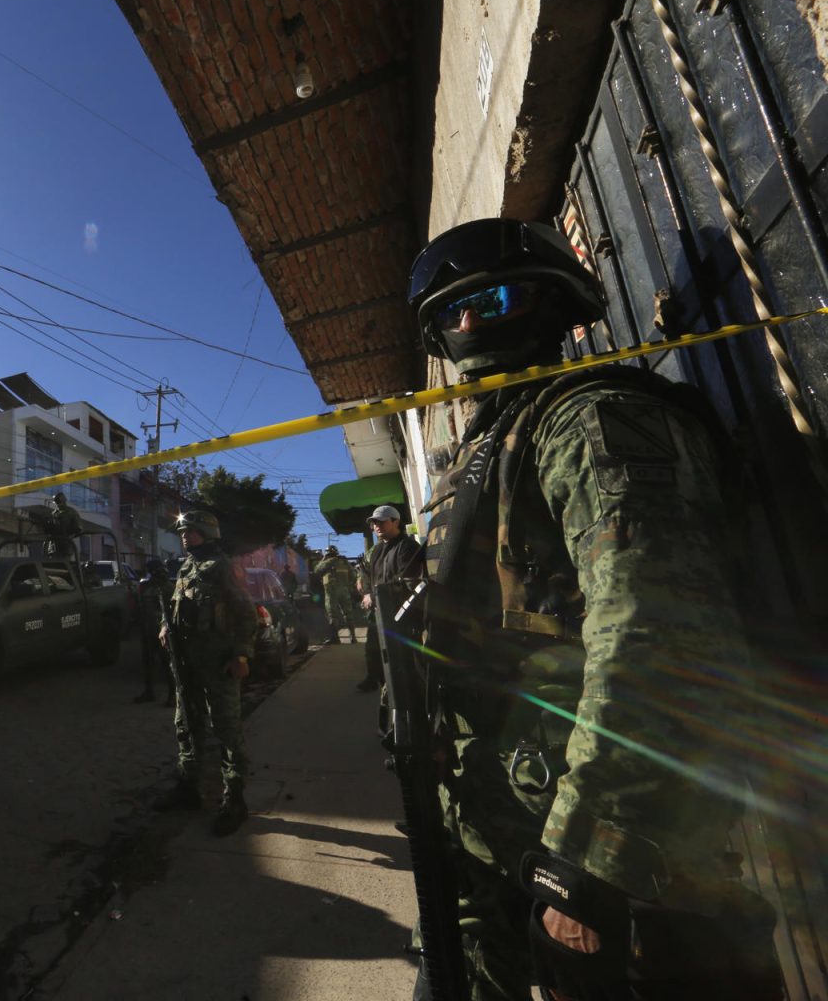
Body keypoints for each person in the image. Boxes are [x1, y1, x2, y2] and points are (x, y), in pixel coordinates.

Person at [405, 218, 779, 999]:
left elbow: (660, 634)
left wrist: (594, 852)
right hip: (499, 828)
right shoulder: (486, 451)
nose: (469, 324)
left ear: (551, 302)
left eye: (492, 298)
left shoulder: (588, 417)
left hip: (618, 854)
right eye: (450, 314)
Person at [155, 511, 257, 836]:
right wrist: (163, 626)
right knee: (186, 724)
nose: (185, 536)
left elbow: (246, 613)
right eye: (183, 531)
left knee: (226, 729)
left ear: (208, 533)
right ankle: (188, 789)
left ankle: (235, 801)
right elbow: (178, 606)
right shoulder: (185, 567)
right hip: (187, 664)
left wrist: (241, 654)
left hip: (218, 662)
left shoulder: (223, 567)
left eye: (192, 531)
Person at [356, 505, 423, 692]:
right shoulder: (377, 550)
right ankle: (374, 680)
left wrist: (376, 595)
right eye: (373, 523)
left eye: (381, 521)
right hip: (378, 610)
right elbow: (367, 575)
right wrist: (368, 593)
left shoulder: (408, 547)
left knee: (399, 655)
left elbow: (406, 580)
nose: (376, 526)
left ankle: (399, 690)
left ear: (396, 521)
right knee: (373, 648)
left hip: (400, 612)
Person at [132, 558, 172, 705]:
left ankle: (173, 696)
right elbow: (140, 606)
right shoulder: (144, 585)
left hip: (162, 631)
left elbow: (171, 610)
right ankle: (149, 692)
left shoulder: (167, 586)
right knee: (148, 663)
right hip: (147, 629)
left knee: (167, 663)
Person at [312, 546, 361, 645]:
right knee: (348, 614)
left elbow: (317, 570)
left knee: (332, 615)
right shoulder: (344, 562)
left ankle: (335, 638)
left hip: (331, 591)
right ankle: (353, 637)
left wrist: (323, 559)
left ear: (327, 554)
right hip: (344, 590)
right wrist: (347, 585)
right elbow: (353, 575)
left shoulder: (327, 562)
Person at [46, 492, 83, 558]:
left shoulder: (71, 512)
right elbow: (48, 530)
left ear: (63, 500)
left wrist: (69, 537)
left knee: (63, 564)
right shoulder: (53, 513)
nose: (58, 503)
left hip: (65, 546)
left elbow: (79, 529)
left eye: (58, 501)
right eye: (56, 501)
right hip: (53, 547)